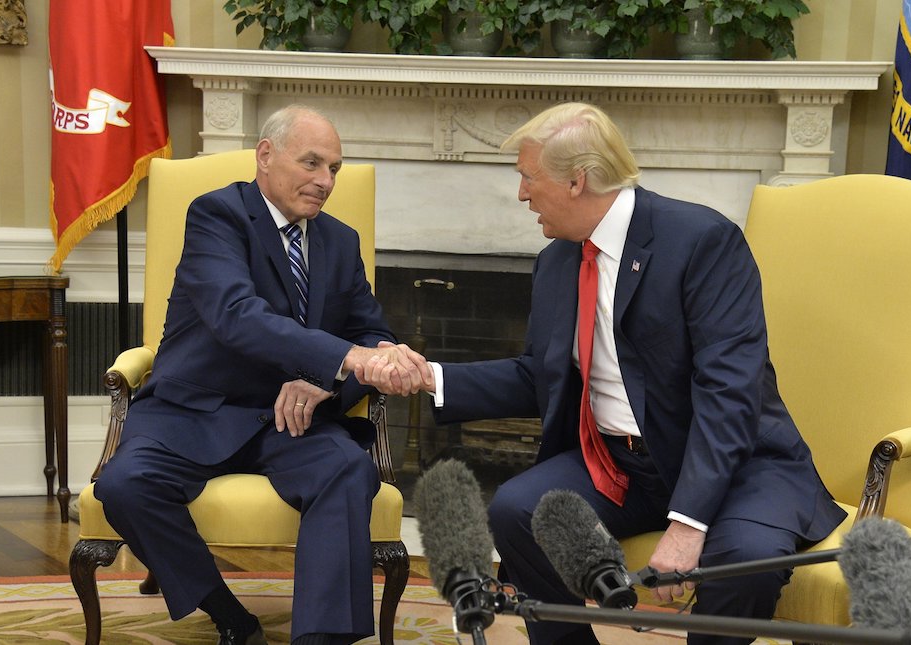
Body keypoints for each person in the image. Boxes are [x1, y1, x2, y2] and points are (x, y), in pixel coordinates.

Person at [357, 102, 846, 645]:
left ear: (576, 180)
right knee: (520, 509)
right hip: (623, 467)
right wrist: (431, 377)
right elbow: (536, 377)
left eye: (527, 177)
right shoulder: (558, 261)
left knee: (747, 560)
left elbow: (727, 395)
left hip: (737, 466)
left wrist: (687, 525)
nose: (521, 194)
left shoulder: (701, 241)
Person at [95, 105, 432, 645]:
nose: (325, 182)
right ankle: (228, 615)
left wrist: (335, 376)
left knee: (348, 469)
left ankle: (320, 639)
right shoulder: (217, 215)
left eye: (335, 170)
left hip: (291, 419)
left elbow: (369, 332)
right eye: (313, 163)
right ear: (267, 156)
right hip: (196, 410)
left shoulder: (339, 242)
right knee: (124, 485)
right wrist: (347, 358)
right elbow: (237, 316)